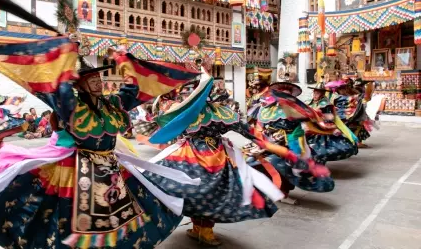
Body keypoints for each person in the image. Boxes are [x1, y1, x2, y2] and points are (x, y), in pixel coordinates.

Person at [0, 31, 201, 248]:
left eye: (99, 77)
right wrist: (68, 55)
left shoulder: (113, 104)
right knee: (67, 224)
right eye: (92, 79)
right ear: (80, 84)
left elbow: (132, 91)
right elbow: (59, 89)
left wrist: (127, 65)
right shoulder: (70, 106)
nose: (99, 81)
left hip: (111, 169)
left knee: (127, 220)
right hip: (78, 169)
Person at [141, 75, 330, 246]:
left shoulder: (190, 113)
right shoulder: (216, 112)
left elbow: (245, 133)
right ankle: (200, 228)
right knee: (205, 193)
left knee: (198, 192)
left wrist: (268, 147)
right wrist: (260, 145)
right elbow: (245, 132)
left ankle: (203, 229)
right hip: (209, 155)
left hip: (201, 156)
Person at [248, 82, 335, 205]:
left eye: (287, 95)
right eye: (281, 94)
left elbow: (313, 120)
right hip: (272, 143)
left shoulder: (298, 109)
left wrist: (326, 124)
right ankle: (271, 191)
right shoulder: (267, 108)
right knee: (259, 163)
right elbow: (260, 126)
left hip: (293, 142)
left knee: (293, 167)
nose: (284, 97)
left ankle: (283, 192)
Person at [305, 82, 358, 163]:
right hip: (310, 127)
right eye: (314, 92)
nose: (315, 95)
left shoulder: (326, 104)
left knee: (321, 150)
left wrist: (319, 117)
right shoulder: (310, 102)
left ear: (322, 93)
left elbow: (331, 117)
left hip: (322, 129)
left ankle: (319, 165)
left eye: (317, 93)